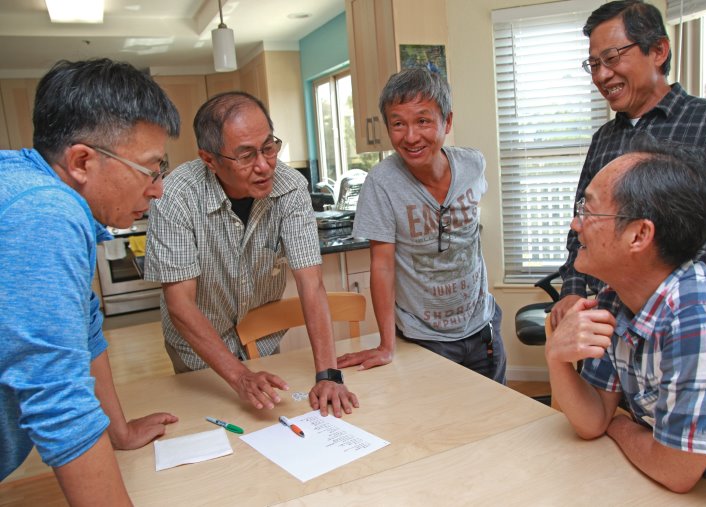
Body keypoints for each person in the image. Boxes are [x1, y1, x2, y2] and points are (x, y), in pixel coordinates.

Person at [0, 58, 181, 505]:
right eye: (150, 168)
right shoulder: (45, 213)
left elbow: (85, 327)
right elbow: (58, 397)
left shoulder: (31, 184)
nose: (158, 188)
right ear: (82, 160)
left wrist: (117, 430)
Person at [546, 137, 706, 500]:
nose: (575, 223)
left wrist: (622, 426)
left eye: (589, 211)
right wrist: (557, 358)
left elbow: (675, 471)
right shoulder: (614, 300)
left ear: (640, 234)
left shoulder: (704, 321)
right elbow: (593, 420)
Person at [144, 92, 359, 417]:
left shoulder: (290, 187)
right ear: (209, 159)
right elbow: (180, 305)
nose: (264, 166)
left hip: (262, 342)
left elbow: (310, 283)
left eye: (269, 148)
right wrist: (239, 376)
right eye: (246, 156)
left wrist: (328, 375)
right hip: (198, 352)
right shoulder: (176, 196)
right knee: (214, 429)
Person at [551, 0, 706, 327]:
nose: (602, 75)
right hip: (600, 326)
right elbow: (583, 224)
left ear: (658, 50)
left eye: (613, 57)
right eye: (593, 63)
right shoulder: (603, 138)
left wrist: (654, 313)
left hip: (676, 325)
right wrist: (573, 292)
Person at [337, 68, 506, 384]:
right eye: (398, 123)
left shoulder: (473, 165)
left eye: (423, 121)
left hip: (483, 326)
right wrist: (386, 345)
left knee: (497, 420)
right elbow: (383, 267)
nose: (411, 136)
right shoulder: (381, 184)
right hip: (425, 338)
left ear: (448, 122)